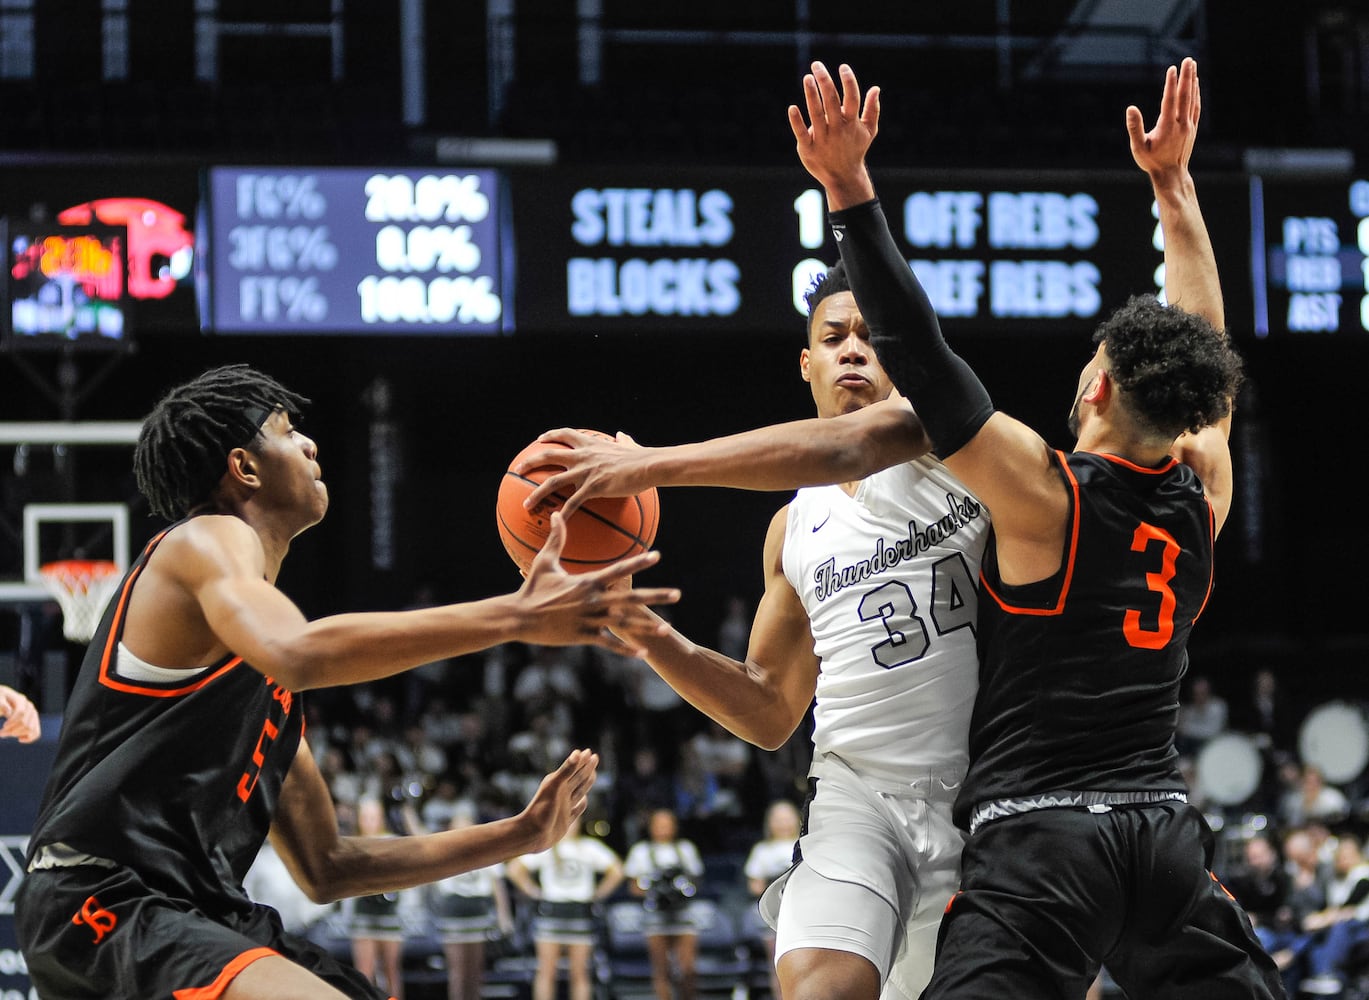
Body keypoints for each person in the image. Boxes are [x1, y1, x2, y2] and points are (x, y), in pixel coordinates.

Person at [784, 59, 1281, 998]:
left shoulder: (1043, 492)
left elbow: (921, 362)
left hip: (1043, 839)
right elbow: (1205, 352)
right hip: (1162, 836)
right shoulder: (1197, 490)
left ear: (1094, 387)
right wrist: (1173, 191)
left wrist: (848, 192)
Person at [12, 364, 678, 1000]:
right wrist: (513, 615)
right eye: (284, 429)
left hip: (198, 914)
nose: (308, 442)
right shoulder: (204, 540)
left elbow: (330, 866)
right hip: (102, 901)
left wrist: (519, 835)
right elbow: (300, 651)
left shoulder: (262, 690)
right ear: (242, 466)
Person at [516, 175, 987, 1000]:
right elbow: (770, 710)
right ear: (804, 361)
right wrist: (651, 638)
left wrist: (649, 464)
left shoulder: (952, 441)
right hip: (859, 800)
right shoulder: (791, 529)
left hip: (987, 799)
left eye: (873, 337)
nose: (852, 348)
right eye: (833, 335)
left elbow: (847, 448)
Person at [506, 815, 625, 1000]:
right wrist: (533, 891)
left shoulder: (589, 847)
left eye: (574, 821)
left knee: (580, 972)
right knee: (546, 971)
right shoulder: (546, 846)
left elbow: (617, 870)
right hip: (551, 913)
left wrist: (598, 894)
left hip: (580, 914)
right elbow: (514, 869)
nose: (570, 826)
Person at [430, 803, 515, 1000]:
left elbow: (497, 886)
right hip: (453, 915)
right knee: (457, 972)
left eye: (466, 826)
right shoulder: (442, 852)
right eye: (458, 826)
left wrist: (504, 916)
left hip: (479, 915)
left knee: (475, 972)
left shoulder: (486, 850)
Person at [623, 808, 707, 1000]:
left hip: (683, 914)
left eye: (667, 824)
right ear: (651, 827)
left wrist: (679, 890)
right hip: (655, 916)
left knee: (687, 969)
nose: (663, 828)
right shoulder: (640, 851)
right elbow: (634, 886)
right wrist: (654, 889)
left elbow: (695, 880)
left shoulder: (685, 849)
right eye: (658, 824)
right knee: (661, 968)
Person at [349, 797, 411, 999]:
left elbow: (405, 877)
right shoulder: (352, 844)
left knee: (392, 972)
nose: (369, 822)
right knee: (364, 975)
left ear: (381, 817)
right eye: (365, 817)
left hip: (390, 915)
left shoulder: (392, 841)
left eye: (373, 817)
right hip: (363, 917)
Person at [743, 800, 802, 1000]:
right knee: (778, 963)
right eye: (778, 819)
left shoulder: (805, 843)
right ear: (770, 823)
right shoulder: (762, 850)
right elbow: (754, 884)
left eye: (787, 818)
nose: (783, 823)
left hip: (803, 912)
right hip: (774, 915)